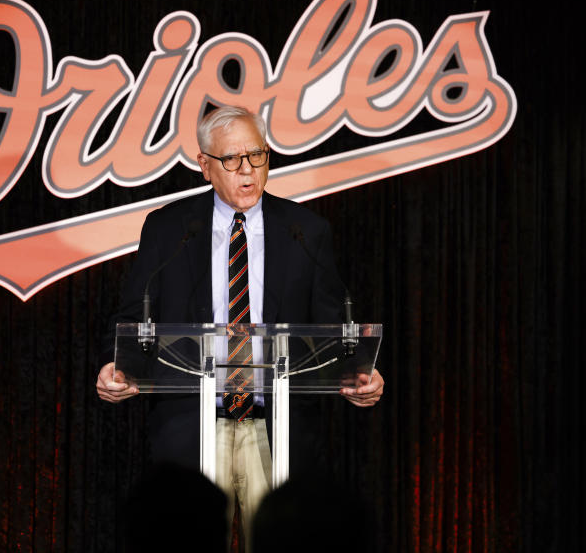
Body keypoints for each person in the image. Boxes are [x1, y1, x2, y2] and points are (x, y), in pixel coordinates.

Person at [96, 105, 384, 547]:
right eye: (232, 160)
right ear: (205, 166)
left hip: (277, 424)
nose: (247, 171)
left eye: (258, 156)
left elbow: (331, 328)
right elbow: (134, 317)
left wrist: (358, 372)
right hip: (192, 421)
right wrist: (120, 371)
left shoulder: (306, 230)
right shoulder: (169, 229)